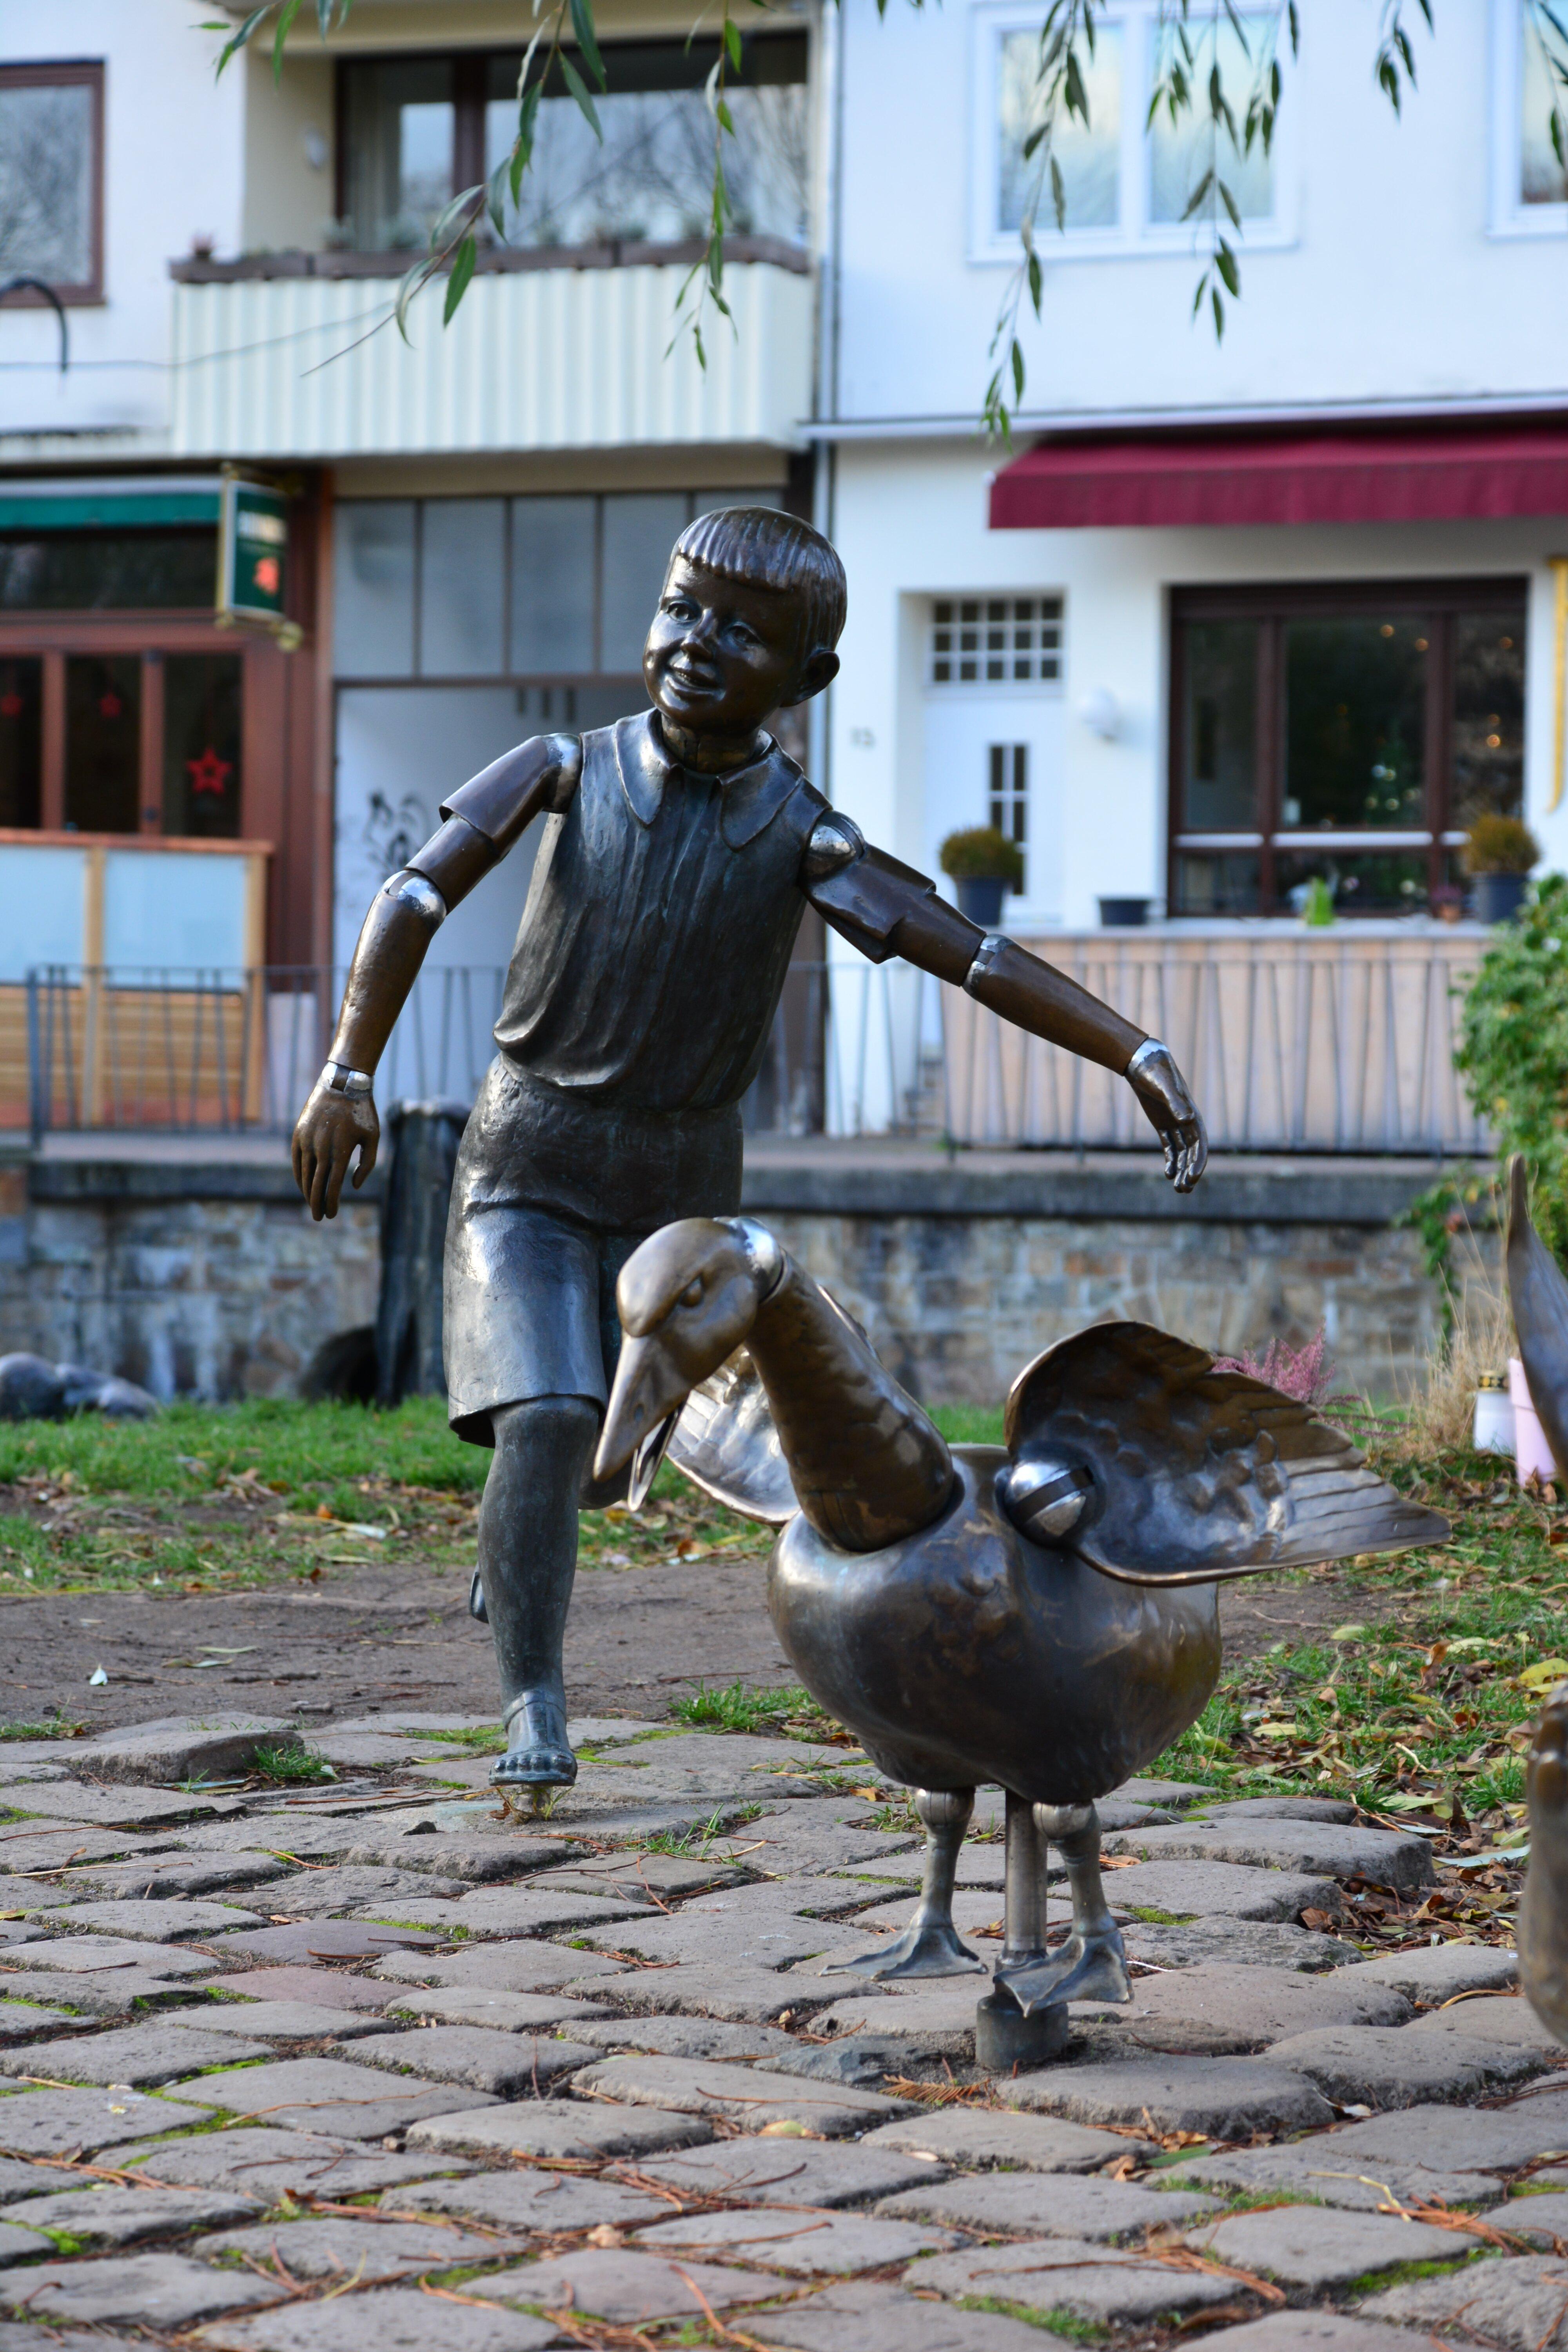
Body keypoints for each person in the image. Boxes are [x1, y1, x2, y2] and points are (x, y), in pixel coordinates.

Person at [292, 507, 1208, 1792]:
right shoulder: (561, 768)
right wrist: (349, 1070)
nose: (695, 644)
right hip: (529, 1159)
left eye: (742, 632)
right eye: (682, 609)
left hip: (680, 1189)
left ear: (808, 677)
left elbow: (974, 954)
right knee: (549, 1419)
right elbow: (414, 892)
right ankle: (534, 1702)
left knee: (595, 1461)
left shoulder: (804, 837)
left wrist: (1133, 1049)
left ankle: (521, 1535)